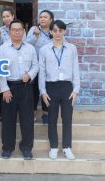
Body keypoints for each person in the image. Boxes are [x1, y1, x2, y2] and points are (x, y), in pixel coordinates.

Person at [0, 19, 39, 159]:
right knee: (8, 120)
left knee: (27, 120)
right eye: (13, 29)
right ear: (9, 32)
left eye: (19, 29)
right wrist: (4, 88)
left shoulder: (30, 48)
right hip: (9, 87)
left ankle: (27, 148)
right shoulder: (3, 48)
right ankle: (7, 148)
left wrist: (30, 75)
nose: (16, 32)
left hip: (26, 87)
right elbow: (0, 70)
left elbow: (36, 66)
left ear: (23, 31)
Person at [38, 20, 80, 160]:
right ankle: (54, 147)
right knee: (52, 118)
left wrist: (76, 90)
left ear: (64, 32)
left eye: (60, 30)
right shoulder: (44, 49)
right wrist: (43, 91)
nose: (57, 33)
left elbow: (76, 70)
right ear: (50, 32)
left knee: (67, 118)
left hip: (67, 87)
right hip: (51, 87)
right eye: (55, 30)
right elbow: (42, 72)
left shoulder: (72, 48)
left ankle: (67, 147)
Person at [26, 10, 54, 124]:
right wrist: (36, 36)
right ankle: (31, 112)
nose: (42, 19)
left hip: (49, 65)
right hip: (34, 65)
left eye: (45, 17)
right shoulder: (34, 29)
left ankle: (46, 113)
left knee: (47, 88)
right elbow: (26, 44)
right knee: (32, 89)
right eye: (41, 17)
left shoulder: (54, 31)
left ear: (51, 19)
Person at [0, 7, 15, 123]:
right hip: (3, 63)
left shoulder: (19, 28)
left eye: (8, 16)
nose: (6, 19)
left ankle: (14, 112)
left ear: (12, 16)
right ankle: (2, 112)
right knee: (1, 87)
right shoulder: (0, 30)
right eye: (4, 17)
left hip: (16, 63)